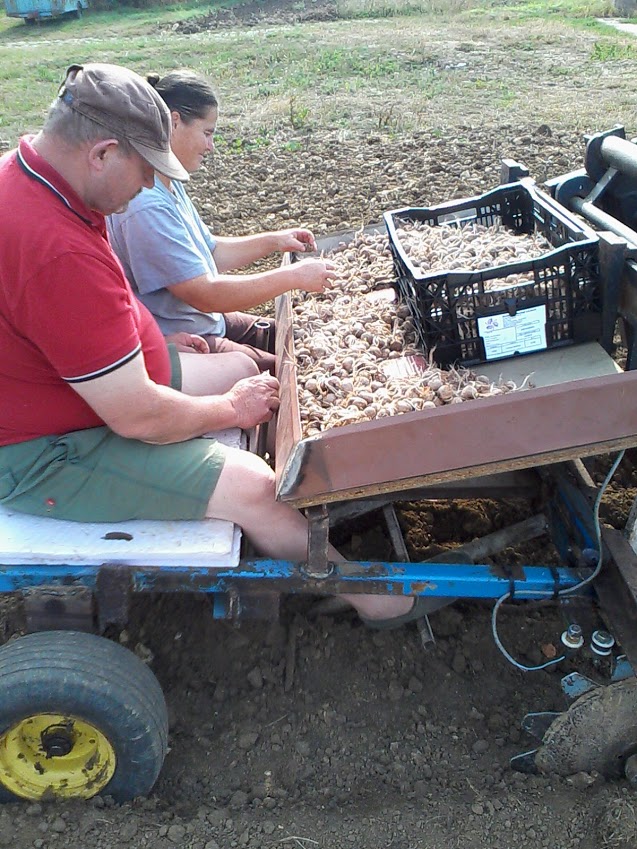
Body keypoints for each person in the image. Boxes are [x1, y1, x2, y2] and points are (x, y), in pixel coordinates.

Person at [0, 62, 436, 630]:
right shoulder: (56, 249)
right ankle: (377, 602)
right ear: (102, 152)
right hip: (44, 454)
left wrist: (148, 337)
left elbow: (57, 324)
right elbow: (138, 416)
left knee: (236, 368)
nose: (150, 187)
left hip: (66, 395)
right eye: (144, 170)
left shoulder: (34, 179)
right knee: (252, 486)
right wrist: (232, 410)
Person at [106, 70, 329, 374]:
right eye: (207, 133)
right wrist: (294, 277)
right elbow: (205, 294)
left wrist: (275, 241)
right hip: (190, 337)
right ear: (173, 122)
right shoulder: (146, 205)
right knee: (301, 370)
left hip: (211, 320)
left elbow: (210, 253)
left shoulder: (167, 180)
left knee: (311, 337)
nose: (211, 146)